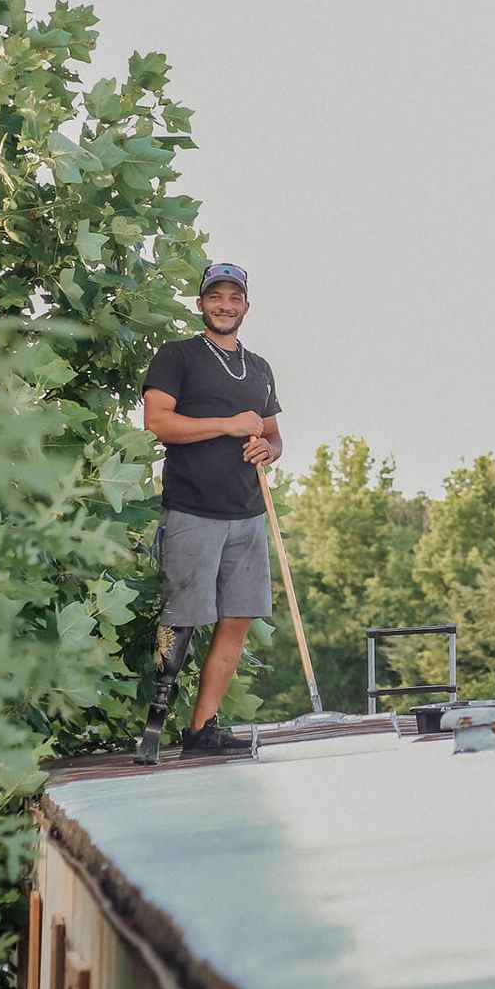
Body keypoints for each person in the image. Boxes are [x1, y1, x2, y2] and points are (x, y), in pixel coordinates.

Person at [141, 262, 284, 757]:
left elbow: (273, 433)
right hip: (192, 508)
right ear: (201, 303)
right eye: (216, 297)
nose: (225, 305)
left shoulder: (260, 367)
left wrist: (269, 448)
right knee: (182, 617)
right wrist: (226, 425)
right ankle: (154, 727)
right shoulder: (177, 356)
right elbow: (157, 422)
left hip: (247, 512)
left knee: (238, 618)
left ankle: (201, 731)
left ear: (246, 305)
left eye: (234, 298)